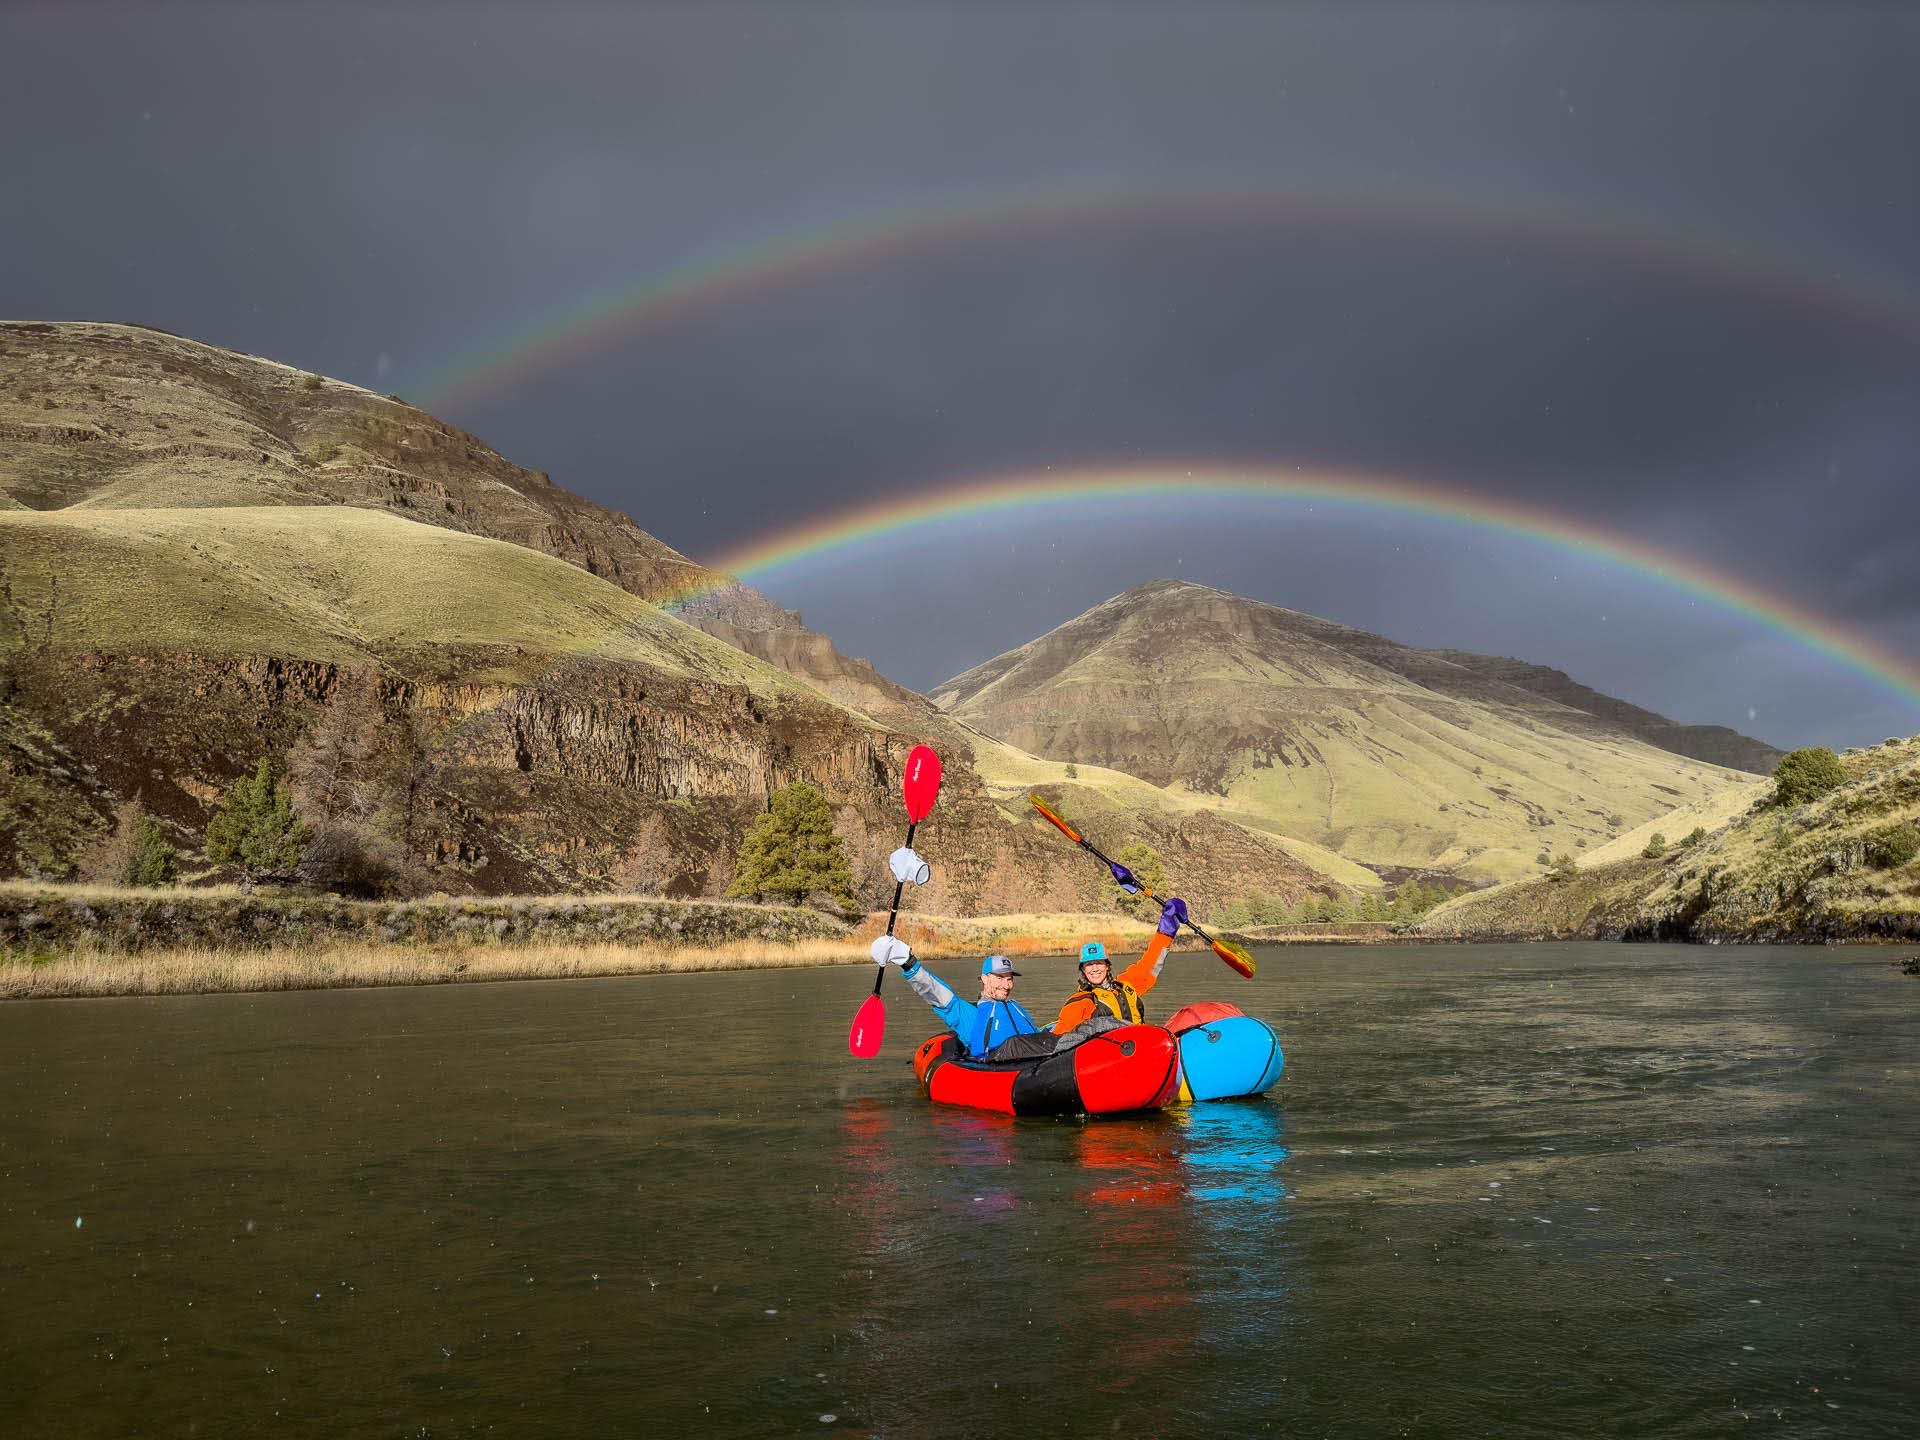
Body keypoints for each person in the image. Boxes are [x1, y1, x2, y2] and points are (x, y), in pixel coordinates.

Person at [1051, 896, 1187, 1034]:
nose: (1095, 969)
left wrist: (1167, 930)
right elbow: (1060, 1037)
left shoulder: (1126, 986)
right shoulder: (1080, 1002)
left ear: (1107, 966)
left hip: (1140, 1045)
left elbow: (1150, 963)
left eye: (1099, 963)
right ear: (1083, 970)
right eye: (1089, 965)